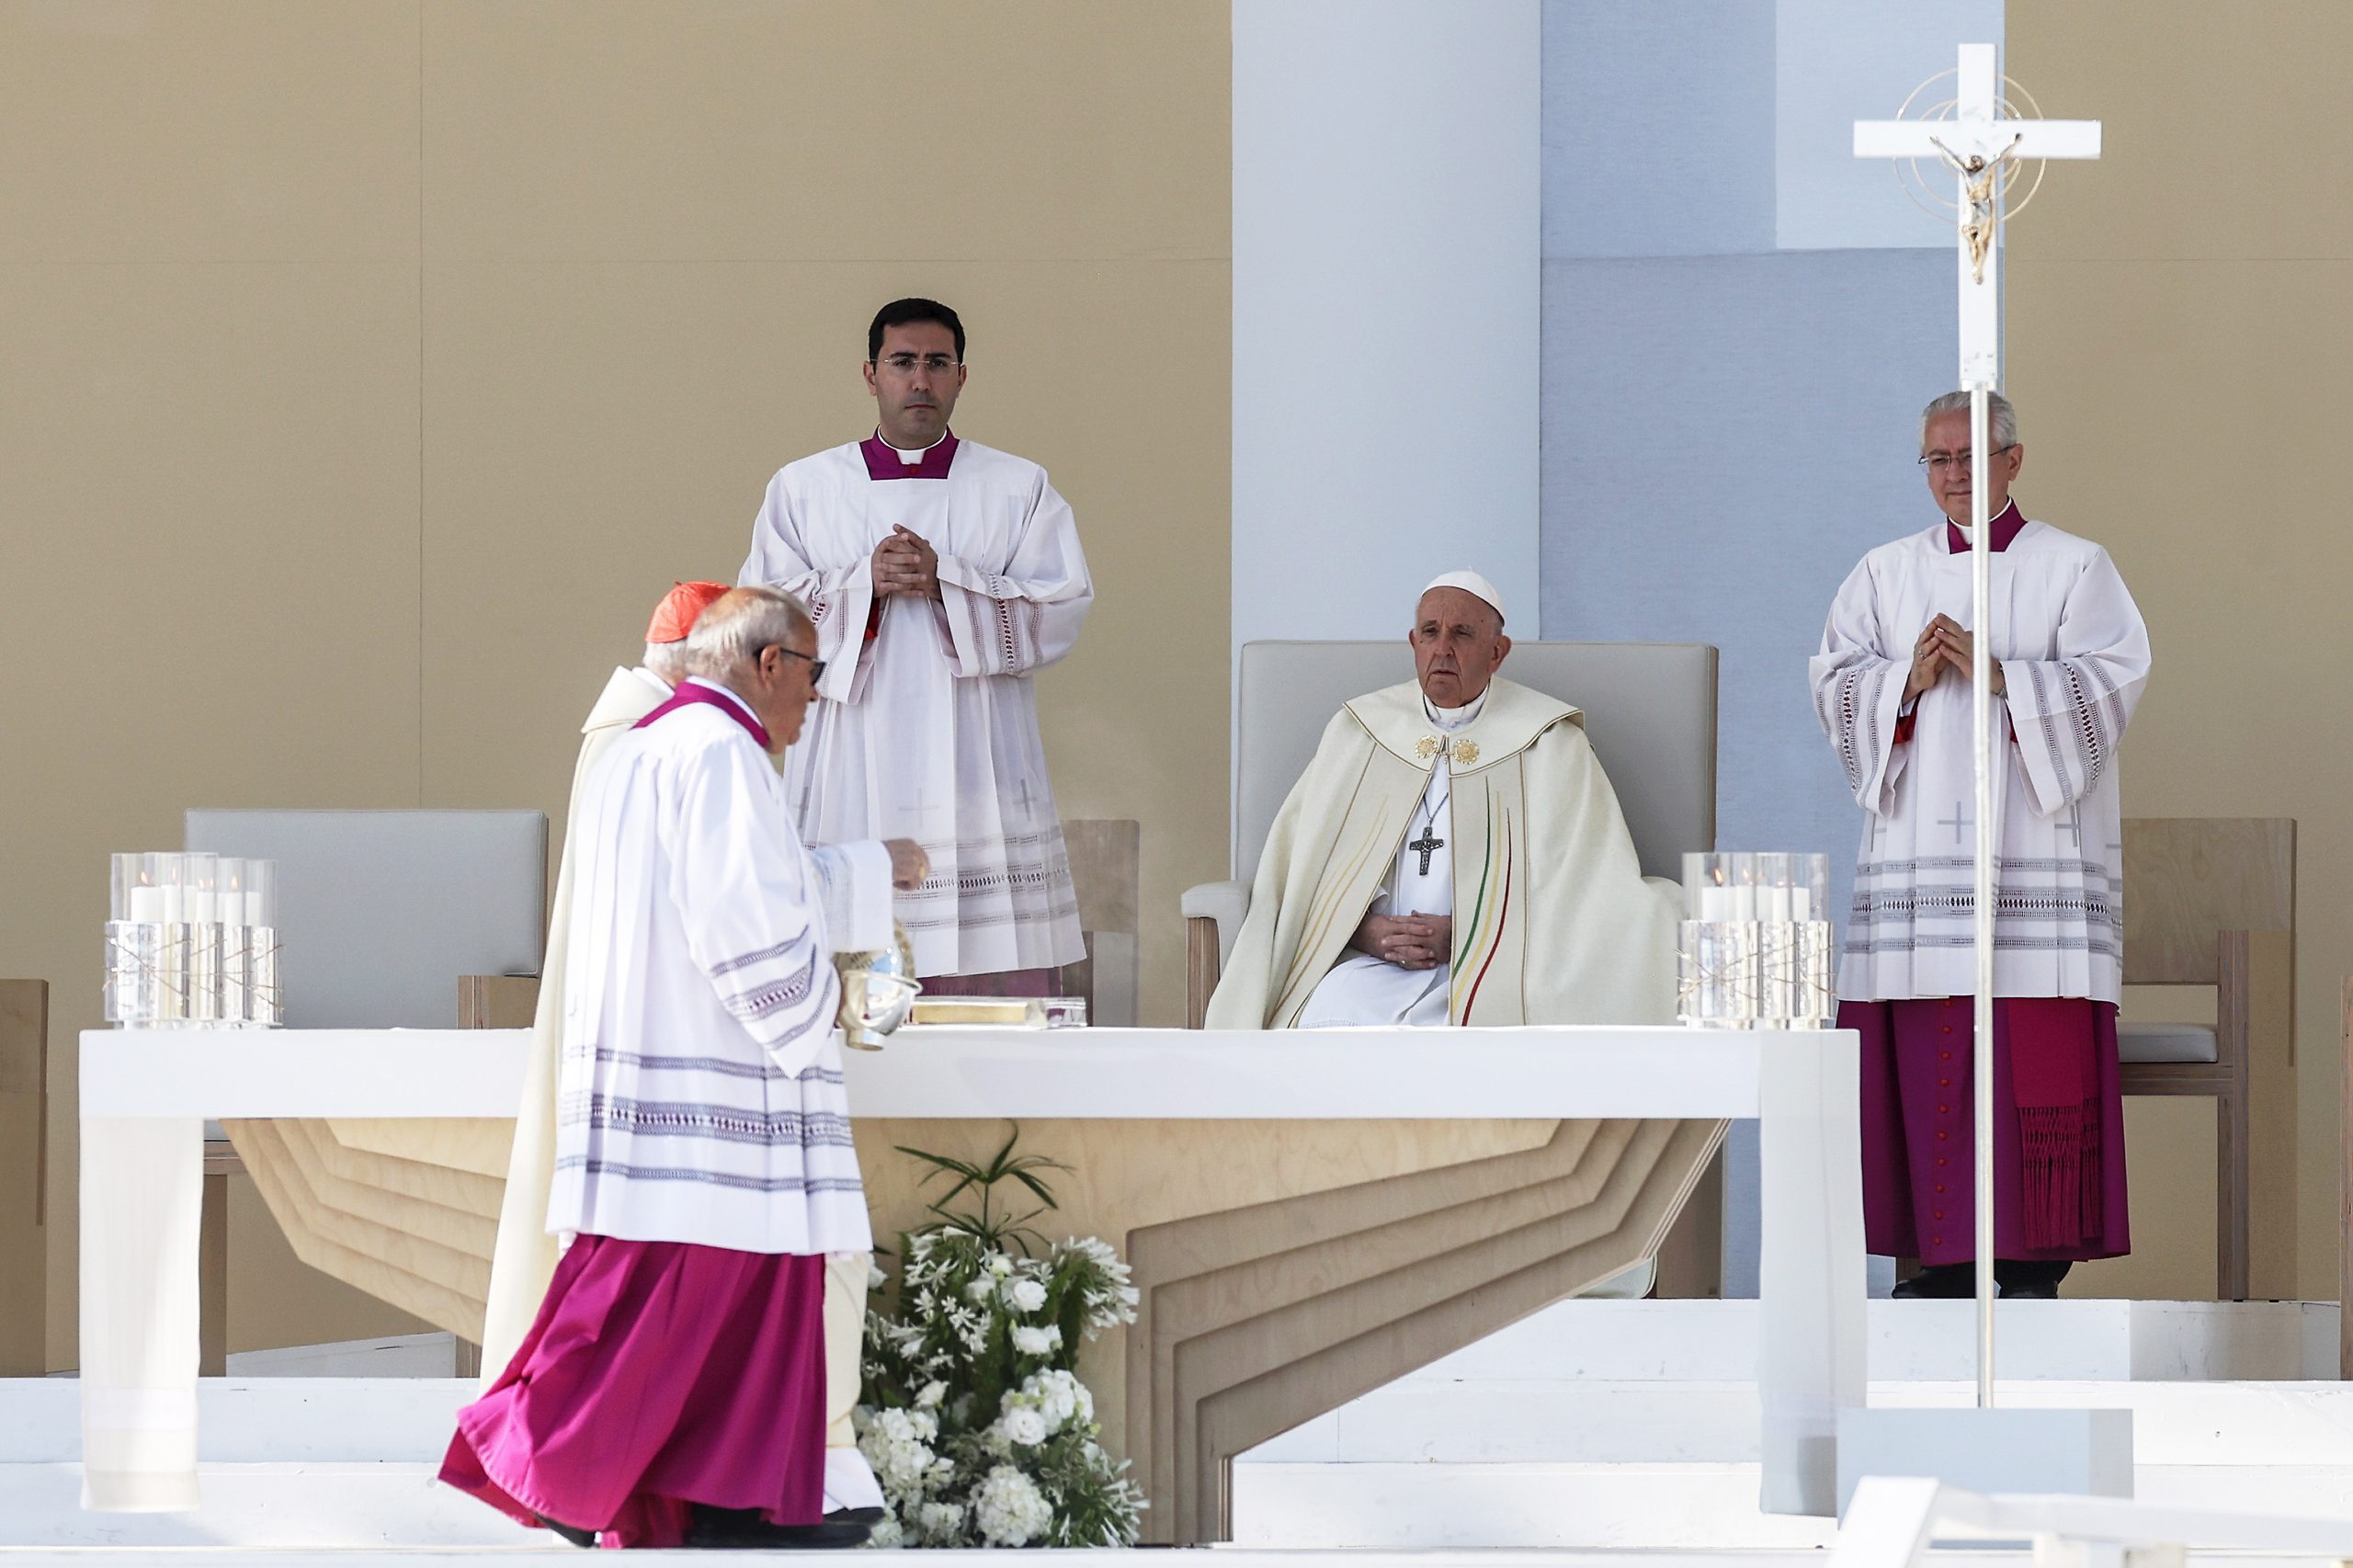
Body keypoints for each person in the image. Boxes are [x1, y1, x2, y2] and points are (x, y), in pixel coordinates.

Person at [440, 586, 927, 1550]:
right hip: (710, 1081)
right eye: (813, 673)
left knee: (734, 1297)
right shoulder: (719, 752)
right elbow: (743, 914)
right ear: (768, 663)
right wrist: (825, 1003)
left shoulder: (646, 748)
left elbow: (756, 879)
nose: (815, 700)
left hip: (667, 1071)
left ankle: (724, 1497)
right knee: (664, 1304)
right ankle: (542, 1458)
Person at [1811, 390, 2150, 1300]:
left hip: (2032, 858)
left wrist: (2002, 675)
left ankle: (2032, 1266)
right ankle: (1939, 1266)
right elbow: (1834, 686)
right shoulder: (1882, 574)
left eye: (1969, 456)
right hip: (1924, 859)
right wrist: (1901, 681)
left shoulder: (2074, 568)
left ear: (2013, 459)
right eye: (1936, 459)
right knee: (1926, 1061)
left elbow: (2111, 682)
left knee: (2025, 1058)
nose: (1953, 475)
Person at [739, 297, 1091, 996]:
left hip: (975, 747)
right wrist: (859, 583)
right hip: (848, 749)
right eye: (903, 363)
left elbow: (1061, 606)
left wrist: (945, 583)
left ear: (962, 376)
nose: (921, 380)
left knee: (985, 971)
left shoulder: (1017, 485)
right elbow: (759, 619)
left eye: (937, 363)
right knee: (843, 960)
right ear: (871, 375)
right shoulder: (805, 488)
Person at [1206, 572, 1677, 1033]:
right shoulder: (1362, 732)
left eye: (1462, 634)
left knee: (1491, 1037)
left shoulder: (1550, 743)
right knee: (1325, 1015)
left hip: (1502, 968)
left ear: (1497, 652)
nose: (1443, 649)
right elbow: (1308, 869)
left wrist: (1464, 934)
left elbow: (1583, 886)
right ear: (1414, 643)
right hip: (1375, 968)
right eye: (1431, 633)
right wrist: (1368, 930)